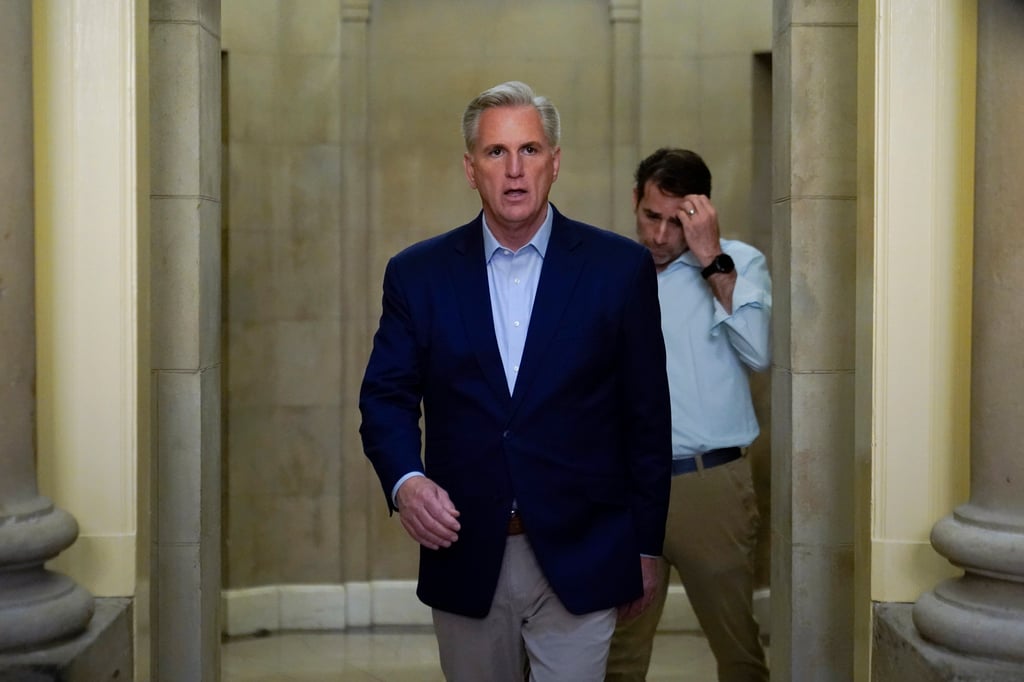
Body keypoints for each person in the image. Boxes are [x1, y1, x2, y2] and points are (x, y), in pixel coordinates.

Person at [358, 81, 673, 682]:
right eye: (495, 153)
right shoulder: (417, 275)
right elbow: (385, 396)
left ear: (555, 163)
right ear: (469, 169)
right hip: (467, 550)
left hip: (586, 547)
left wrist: (647, 544)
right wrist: (406, 481)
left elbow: (646, 416)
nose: (514, 170)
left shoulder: (619, 270)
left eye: (529, 151)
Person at [606, 148, 772, 682]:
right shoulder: (609, 274)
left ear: (700, 213)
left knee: (738, 653)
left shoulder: (738, 262)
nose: (659, 236)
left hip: (710, 486)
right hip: (627, 488)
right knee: (619, 657)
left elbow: (758, 351)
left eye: (676, 222)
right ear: (636, 201)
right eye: (651, 216)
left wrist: (709, 258)